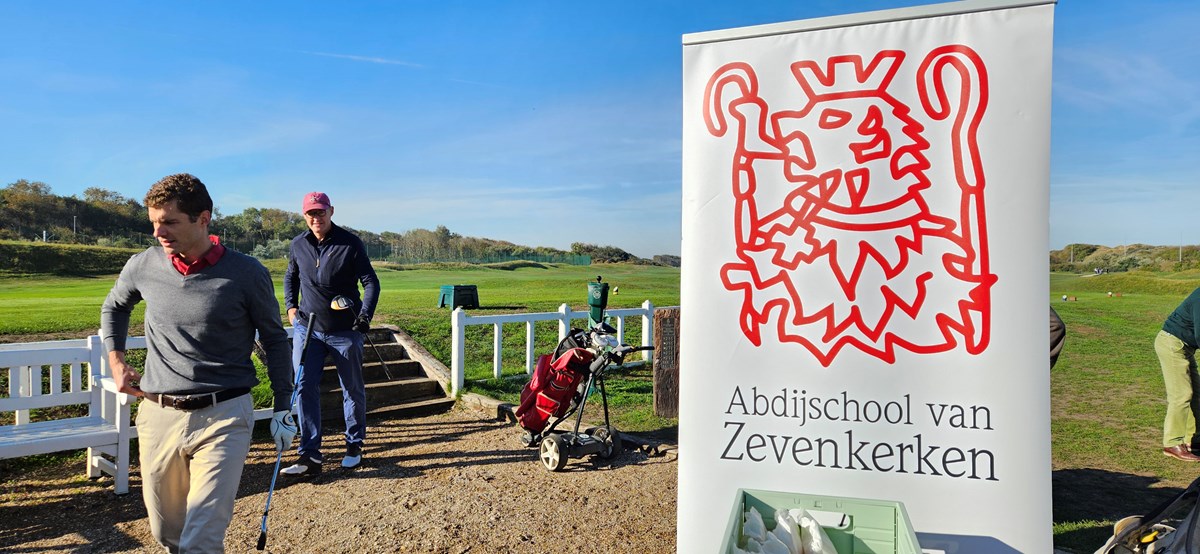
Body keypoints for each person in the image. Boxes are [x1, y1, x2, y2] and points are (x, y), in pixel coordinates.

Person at [101, 173, 296, 552]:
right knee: (167, 534)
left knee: (201, 539)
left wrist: (283, 405)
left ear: (203, 219)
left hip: (225, 416)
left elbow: (274, 339)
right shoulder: (143, 265)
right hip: (158, 414)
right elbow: (115, 307)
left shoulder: (247, 273)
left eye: (169, 222)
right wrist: (117, 360)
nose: (158, 232)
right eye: (154, 222)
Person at [281, 191, 380, 476]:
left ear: (331, 211)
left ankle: (354, 445)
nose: (316, 217)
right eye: (311, 213)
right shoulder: (298, 244)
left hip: (345, 330)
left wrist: (365, 316)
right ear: (304, 215)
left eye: (321, 212)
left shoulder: (350, 243)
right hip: (307, 328)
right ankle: (309, 455)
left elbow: (370, 282)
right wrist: (290, 306)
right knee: (304, 386)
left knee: (352, 388)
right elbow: (291, 276)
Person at [1155, 287, 1200, 462]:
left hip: (1185, 347)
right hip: (1172, 344)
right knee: (1181, 394)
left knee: (1197, 393)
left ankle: (1193, 440)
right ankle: (1172, 443)